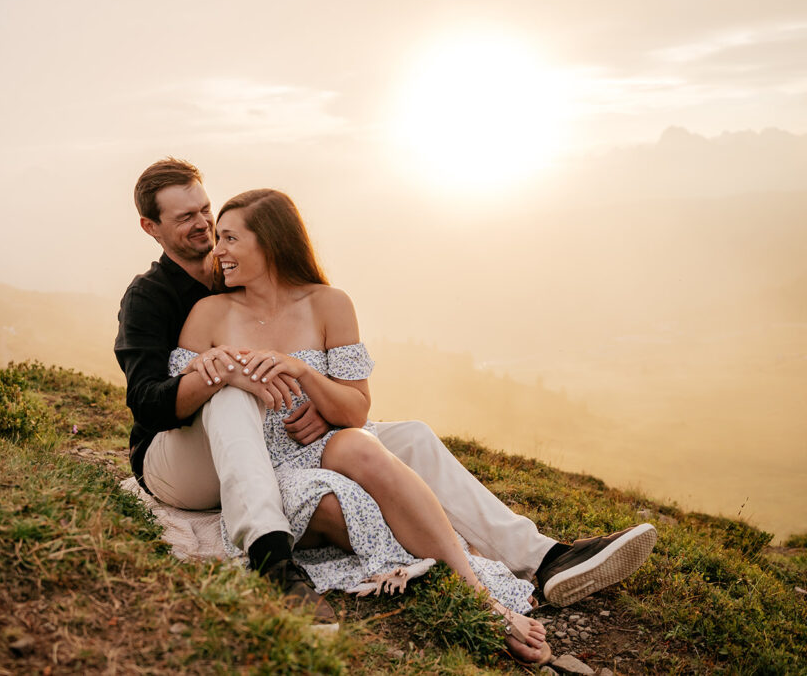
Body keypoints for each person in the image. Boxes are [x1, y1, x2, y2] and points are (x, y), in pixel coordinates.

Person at [113, 158, 656, 624]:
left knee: (412, 437)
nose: (206, 228)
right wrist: (220, 373)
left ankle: (545, 557)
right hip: (181, 453)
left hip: (286, 437)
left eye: (207, 212)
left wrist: (322, 406)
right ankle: (271, 557)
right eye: (188, 218)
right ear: (150, 227)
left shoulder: (261, 282)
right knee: (230, 397)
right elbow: (149, 403)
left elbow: (345, 397)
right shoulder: (156, 299)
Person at [173, 187, 559, 663]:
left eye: (231, 238)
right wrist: (211, 366)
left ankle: (481, 596)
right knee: (346, 504)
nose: (220, 251)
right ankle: (458, 564)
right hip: (261, 465)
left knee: (363, 447)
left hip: (326, 440)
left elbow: (355, 410)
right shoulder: (208, 313)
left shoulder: (329, 303)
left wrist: (305, 373)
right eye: (219, 238)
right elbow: (183, 406)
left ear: (270, 242)